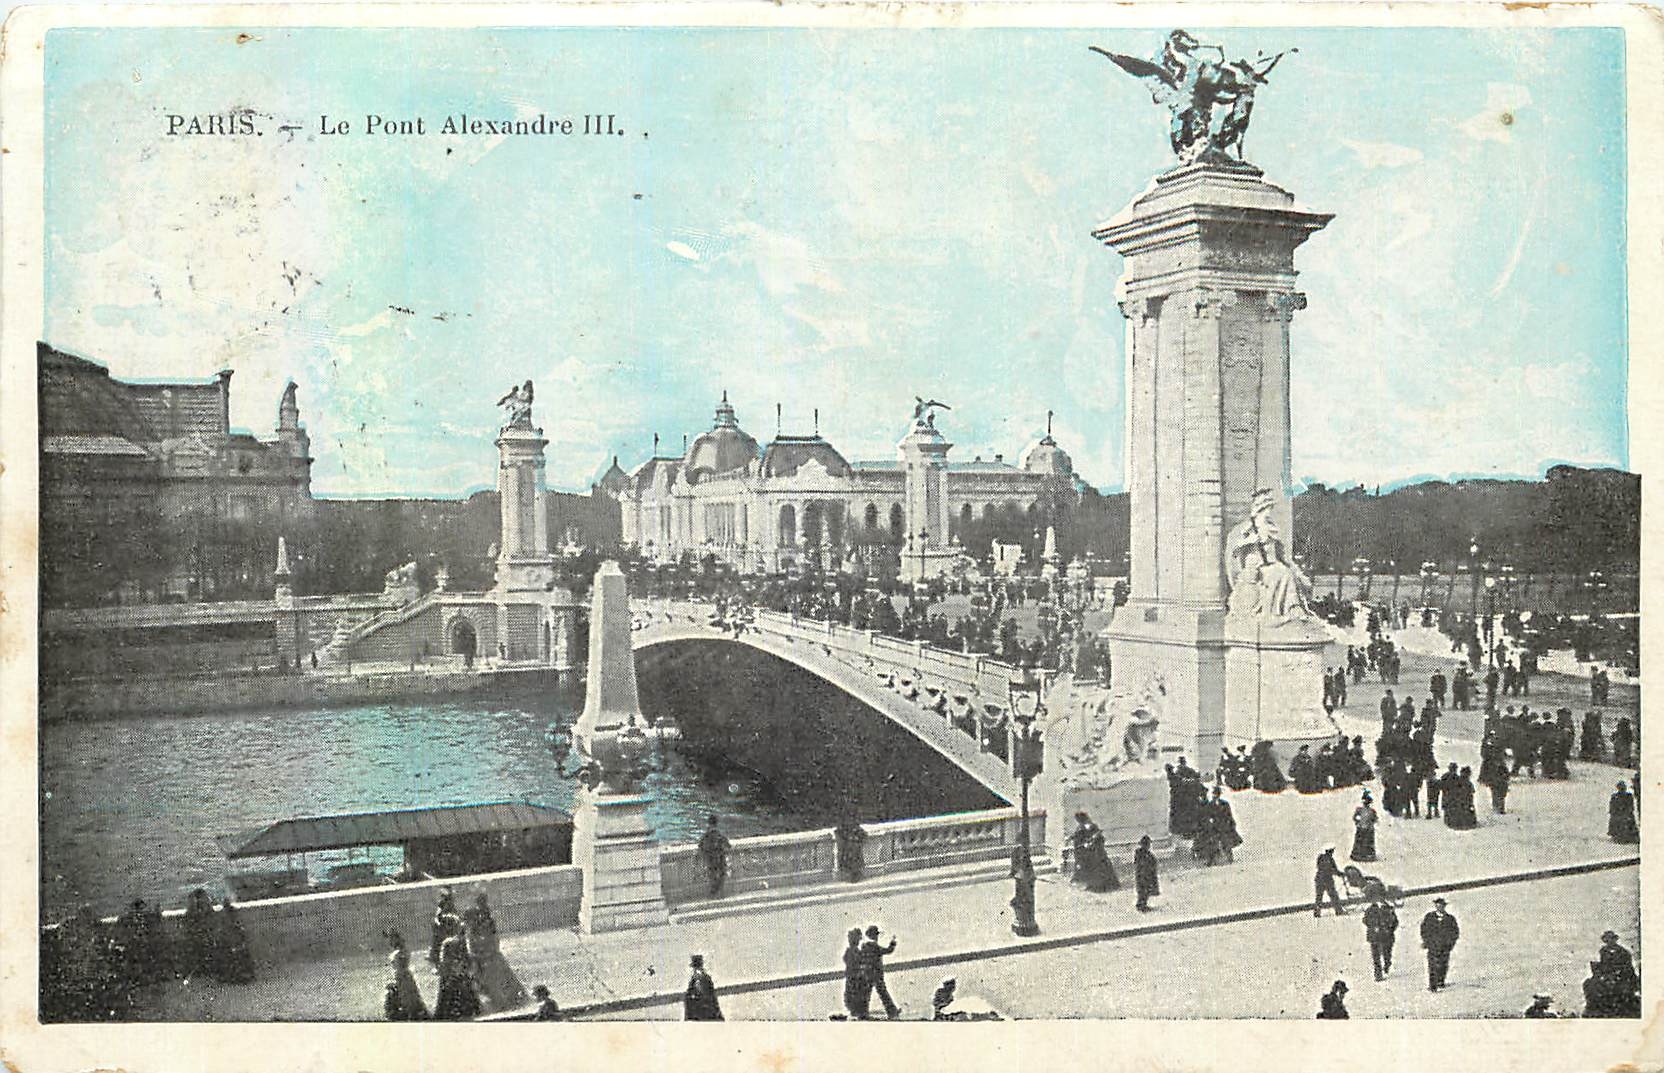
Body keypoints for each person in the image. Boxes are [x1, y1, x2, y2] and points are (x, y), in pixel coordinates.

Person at [463, 892, 526, 1012]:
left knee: (494, 979)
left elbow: (489, 938)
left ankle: (502, 1001)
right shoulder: (481, 920)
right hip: (487, 954)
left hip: (487, 955)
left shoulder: (483, 919)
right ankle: (502, 1000)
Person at [1583, 931, 1641, 1018]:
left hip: (1622, 977)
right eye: (1607, 940)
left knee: (1619, 989)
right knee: (1589, 984)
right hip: (1608, 977)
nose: (1609, 942)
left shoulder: (1624, 953)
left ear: (1615, 940)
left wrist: (1617, 974)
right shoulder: (1603, 951)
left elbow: (1628, 969)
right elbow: (1604, 965)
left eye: (1611, 939)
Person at [434, 914, 481, 1020]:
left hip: (451, 974)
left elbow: (444, 961)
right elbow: (466, 958)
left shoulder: (447, 943)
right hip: (460, 972)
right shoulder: (460, 940)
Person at [382, 929, 430, 1020]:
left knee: (406, 995)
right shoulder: (401, 951)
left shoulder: (400, 952)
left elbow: (400, 965)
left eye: (392, 939)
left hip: (402, 976)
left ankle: (408, 1011)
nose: (390, 942)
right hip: (402, 975)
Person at [1069, 811, 1120, 892]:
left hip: (1097, 852)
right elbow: (1079, 839)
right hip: (1087, 853)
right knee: (1090, 869)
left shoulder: (1093, 827)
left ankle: (1104, 885)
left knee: (1100, 868)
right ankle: (1092, 885)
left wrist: (1092, 842)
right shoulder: (1080, 828)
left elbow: (1100, 839)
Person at [859, 926, 900, 1019]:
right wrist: (893, 943)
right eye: (876, 935)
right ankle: (892, 1012)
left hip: (866, 974)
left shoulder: (864, 946)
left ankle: (862, 1014)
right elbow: (888, 950)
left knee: (866, 994)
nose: (877, 937)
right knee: (883, 993)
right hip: (876, 974)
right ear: (873, 936)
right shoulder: (874, 946)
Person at [1420, 897, 1460, 992]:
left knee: (1443, 964)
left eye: (1441, 906)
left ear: (1444, 907)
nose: (1439, 908)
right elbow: (1424, 930)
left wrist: (1450, 944)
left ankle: (1441, 981)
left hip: (1445, 946)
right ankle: (1432, 985)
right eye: (1437, 906)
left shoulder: (1450, 919)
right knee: (1432, 965)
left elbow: (1455, 932)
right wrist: (1426, 941)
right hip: (1432, 946)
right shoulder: (1429, 917)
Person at [1363, 897, 1399, 981]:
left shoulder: (1389, 909)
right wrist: (1373, 927)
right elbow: (1365, 920)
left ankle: (1387, 965)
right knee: (1376, 956)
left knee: (1387, 954)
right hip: (1374, 937)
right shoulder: (1370, 910)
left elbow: (1395, 921)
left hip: (1386, 937)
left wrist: (1389, 930)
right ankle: (1378, 974)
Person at [698, 814, 733, 897]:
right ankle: (719, 893)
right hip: (720, 858)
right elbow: (728, 846)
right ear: (717, 823)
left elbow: (700, 846)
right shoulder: (720, 834)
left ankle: (713, 893)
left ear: (709, 823)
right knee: (721, 874)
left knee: (712, 875)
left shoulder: (706, 835)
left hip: (710, 859)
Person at [1207, 786, 1242, 864]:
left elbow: (1229, 815)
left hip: (1224, 825)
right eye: (1214, 794)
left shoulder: (1225, 804)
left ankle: (1229, 858)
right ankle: (1212, 860)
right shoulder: (1210, 805)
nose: (1215, 795)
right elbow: (1208, 815)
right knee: (1213, 843)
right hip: (1214, 826)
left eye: (1217, 794)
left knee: (1226, 842)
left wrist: (1232, 823)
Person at [684, 954, 724, 1020]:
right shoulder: (703, 977)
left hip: (702, 1013)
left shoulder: (698, 978)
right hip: (705, 1012)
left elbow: (702, 995)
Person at [842, 928, 870, 1018]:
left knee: (855, 995)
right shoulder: (853, 952)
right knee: (857, 995)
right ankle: (859, 1012)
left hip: (854, 978)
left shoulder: (852, 951)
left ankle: (858, 1012)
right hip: (855, 978)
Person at [1314, 845, 1347, 917]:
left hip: (1319, 879)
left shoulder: (1321, 858)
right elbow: (1333, 870)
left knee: (1319, 897)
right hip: (1327, 880)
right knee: (1334, 896)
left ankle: (1317, 912)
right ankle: (1339, 911)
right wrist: (1341, 874)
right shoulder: (1330, 860)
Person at [834, 818, 868, 882]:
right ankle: (852, 874)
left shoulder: (855, 829)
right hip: (849, 849)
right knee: (850, 861)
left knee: (854, 861)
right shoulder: (843, 829)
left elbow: (864, 836)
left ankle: (854, 874)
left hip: (854, 849)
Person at [1134, 834, 1160, 912]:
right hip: (1144, 875)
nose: (1148, 846)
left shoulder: (1146, 854)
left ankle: (1142, 904)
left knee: (1145, 891)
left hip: (1145, 875)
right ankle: (1141, 905)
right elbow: (1142, 864)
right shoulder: (1142, 854)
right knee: (1143, 891)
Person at [1350, 792, 1379, 863]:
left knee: (1366, 842)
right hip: (1363, 828)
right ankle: (1359, 855)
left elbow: (1375, 819)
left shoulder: (1372, 811)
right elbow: (1354, 817)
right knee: (1361, 842)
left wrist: (1370, 823)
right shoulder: (1360, 810)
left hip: (1367, 828)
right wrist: (1357, 822)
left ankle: (1366, 855)